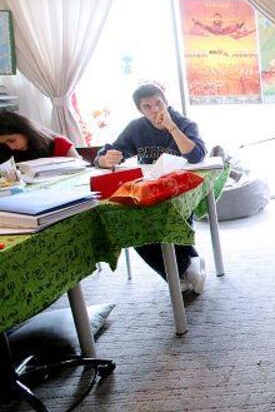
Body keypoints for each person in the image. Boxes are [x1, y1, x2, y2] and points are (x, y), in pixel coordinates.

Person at [95, 83, 207, 294]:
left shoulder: (184, 123)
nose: (155, 110)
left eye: (158, 103)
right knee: (134, 227)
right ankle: (181, 271)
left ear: (166, 102)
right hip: (148, 190)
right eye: (148, 107)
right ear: (140, 110)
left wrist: (172, 128)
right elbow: (109, 152)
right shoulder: (136, 128)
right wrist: (104, 159)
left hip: (178, 189)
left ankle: (183, 270)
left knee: (170, 219)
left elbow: (196, 155)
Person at [0, 111, 80, 162]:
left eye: (11, 140)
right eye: (5, 143)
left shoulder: (60, 143)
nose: (11, 147)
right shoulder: (6, 152)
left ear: (24, 131)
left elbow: (80, 172)